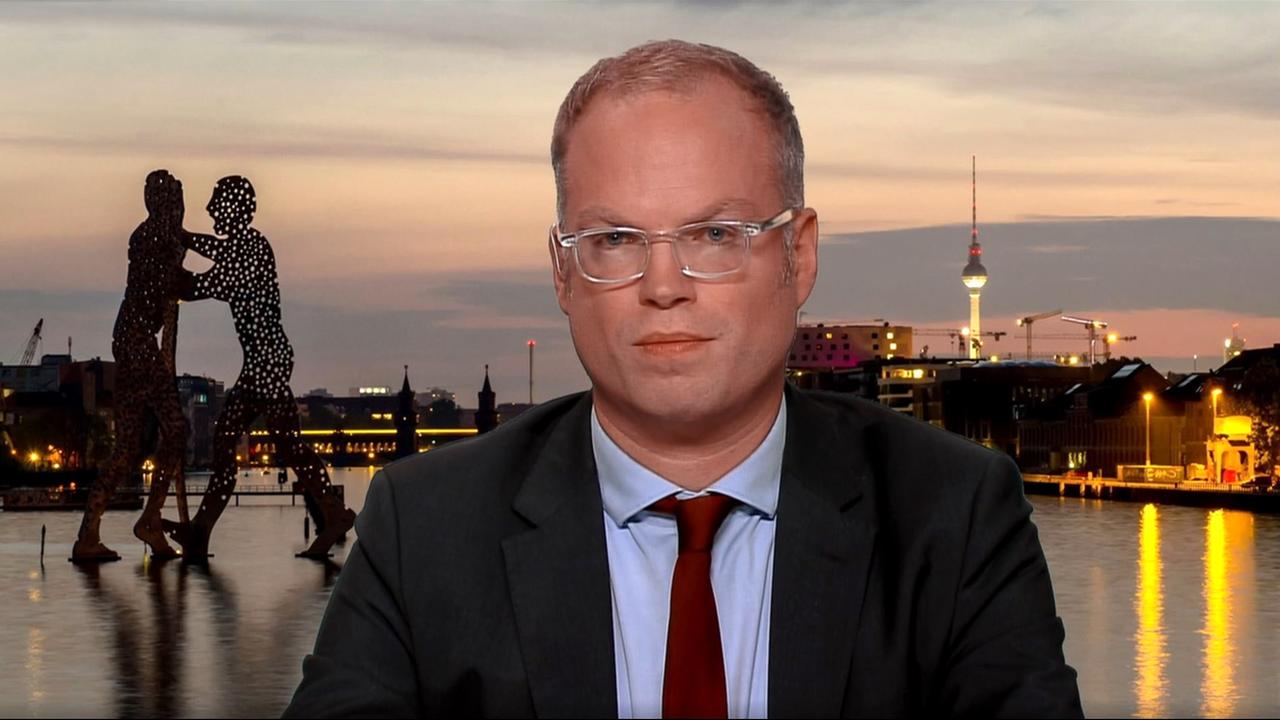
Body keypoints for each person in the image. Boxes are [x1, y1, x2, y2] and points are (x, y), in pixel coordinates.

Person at [285, 40, 1082, 718]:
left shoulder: (957, 514)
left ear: (797, 257)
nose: (665, 283)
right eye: (616, 239)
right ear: (564, 274)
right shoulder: (423, 527)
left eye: (716, 232)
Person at [164, 176, 355, 561]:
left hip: (266, 361)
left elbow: (209, 283)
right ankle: (333, 514)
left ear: (234, 208)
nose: (211, 209)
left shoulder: (251, 249)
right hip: (264, 360)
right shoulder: (242, 245)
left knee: (238, 439)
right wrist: (183, 238)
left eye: (217, 203)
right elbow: (217, 250)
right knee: (277, 443)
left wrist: (171, 276)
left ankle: (202, 532)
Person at [73, 169, 191, 562]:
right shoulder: (154, 240)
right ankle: (150, 519)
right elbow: (178, 283)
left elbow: (178, 265)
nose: (177, 209)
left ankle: (90, 531)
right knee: (175, 429)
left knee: (127, 447)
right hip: (139, 343)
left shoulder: (155, 237)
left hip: (131, 341)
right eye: (174, 201)